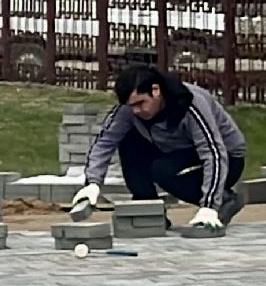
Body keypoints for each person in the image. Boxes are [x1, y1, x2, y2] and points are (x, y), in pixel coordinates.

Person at [72, 65, 247, 231]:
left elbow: (213, 152)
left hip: (227, 159)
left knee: (162, 170)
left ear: (156, 91)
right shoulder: (129, 109)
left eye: (141, 103)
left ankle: (223, 200)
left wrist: (210, 205)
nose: (136, 111)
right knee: (129, 141)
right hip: (177, 151)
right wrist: (92, 183)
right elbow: (104, 142)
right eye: (131, 106)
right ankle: (148, 209)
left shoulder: (190, 103)